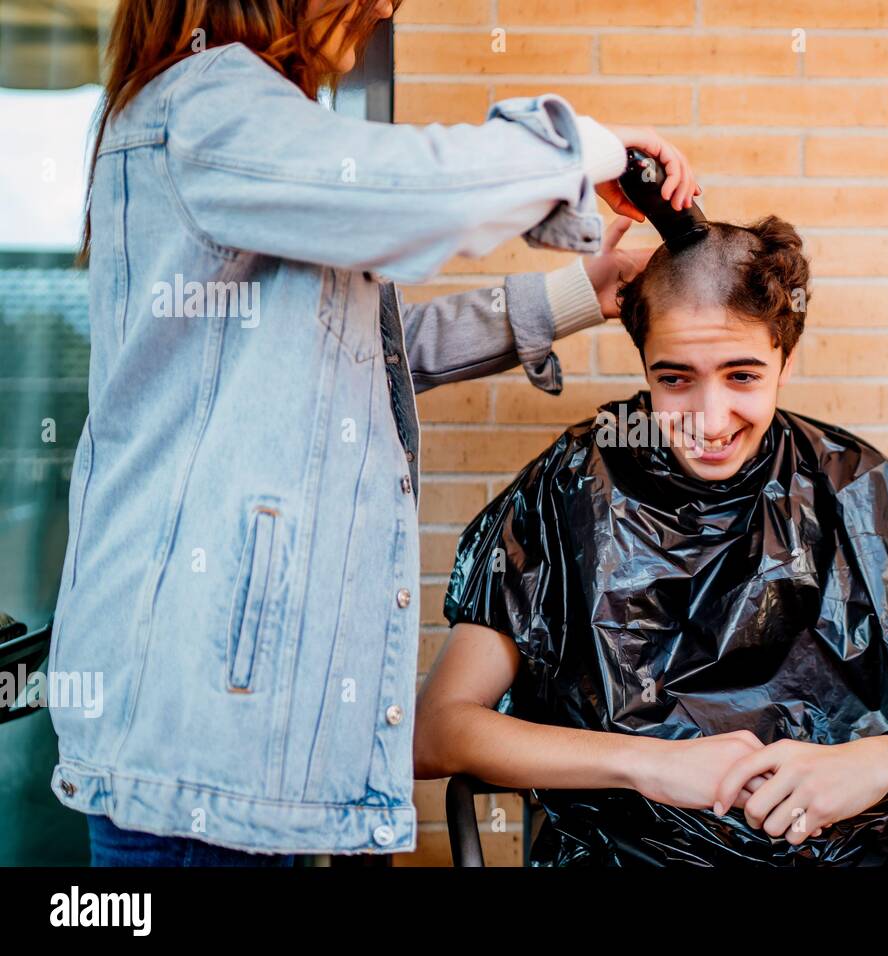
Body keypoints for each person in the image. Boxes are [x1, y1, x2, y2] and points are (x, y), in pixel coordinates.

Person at [47, 0, 700, 866]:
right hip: (204, 762)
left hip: (276, 753)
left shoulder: (247, 131)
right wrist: (584, 149)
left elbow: (374, 354)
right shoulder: (209, 105)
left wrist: (585, 289)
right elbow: (411, 187)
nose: (389, 5)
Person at [414, 215, 888, 866]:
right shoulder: (569, 488)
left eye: (743, 376)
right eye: (674, 378)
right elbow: (438, 729)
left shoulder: (856, 491)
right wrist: (650, 764)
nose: (710, 416)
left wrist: (881, 761)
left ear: (786, 353)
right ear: (643, 359)